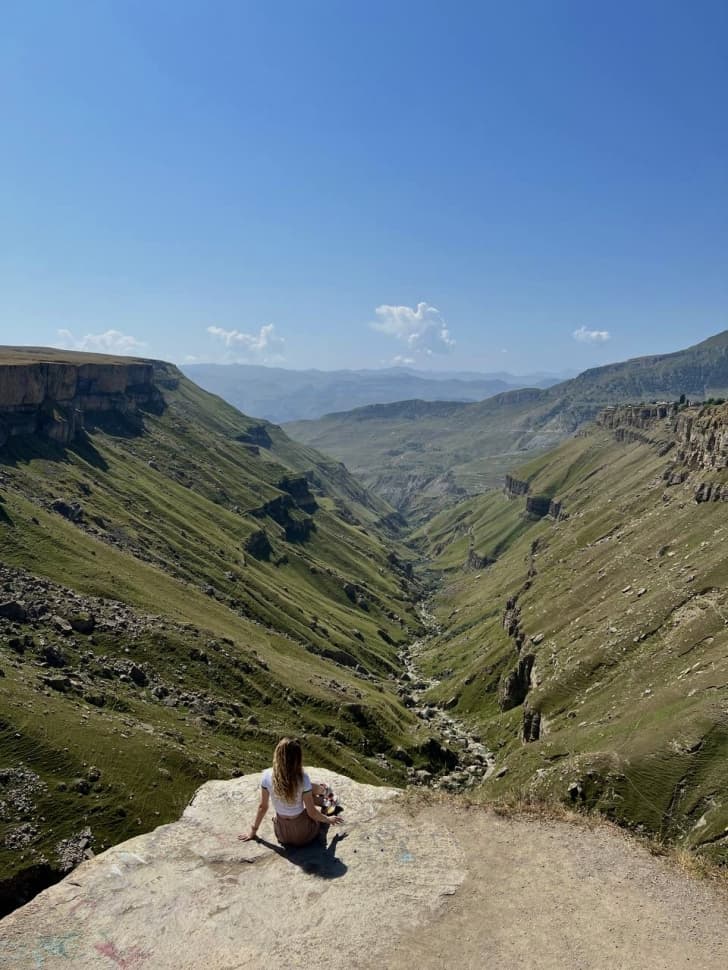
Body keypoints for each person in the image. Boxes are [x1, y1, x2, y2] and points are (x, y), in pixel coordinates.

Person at [238, 737, 344, 847]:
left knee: (305, 791)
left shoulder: (266, 776)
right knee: (308, 793)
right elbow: (311, 812)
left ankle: (324, 796)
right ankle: (326, 798)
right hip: (305, 833)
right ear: (298, 758)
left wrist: (253, 831)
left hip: (282, 835)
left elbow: (262, 807)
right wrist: (328, 820)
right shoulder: (303, 778)